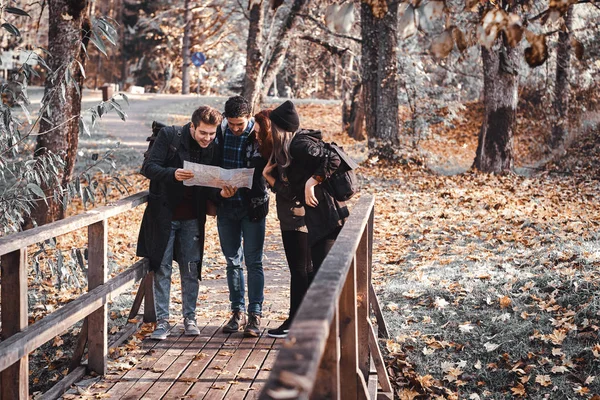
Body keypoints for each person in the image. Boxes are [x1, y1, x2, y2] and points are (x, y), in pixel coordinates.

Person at [137, 106, 236, 340]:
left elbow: (211, 186)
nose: (208, 138)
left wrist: (222, 195)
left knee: (191, 269)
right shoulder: (170, 136)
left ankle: (190, 318)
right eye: (203, 133)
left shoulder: (213, 148)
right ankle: (162, 321)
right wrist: (173, 174)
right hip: (163, 216)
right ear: (192, 127)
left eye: (212, 134)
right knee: (162, 267)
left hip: (193, 218)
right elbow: (148, 168)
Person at [269, 100, 349, 276]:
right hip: (320, 218)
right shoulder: (294, 146)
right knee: (319, 274)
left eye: (272, 127)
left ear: (280, 128)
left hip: (327, 218)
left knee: (323, 276)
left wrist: (311, 182)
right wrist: (269, 177)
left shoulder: (299, 145)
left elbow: (334, 158)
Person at [254, 110, 311, 338]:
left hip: (297, 219)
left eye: (259, 133)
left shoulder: (291, 151)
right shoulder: (281, 150)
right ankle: (303, 320)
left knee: (300, 271)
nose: (256, 137)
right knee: (304, 270)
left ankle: (295, 321)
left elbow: (290, 191)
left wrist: (269, 177)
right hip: (295, 217)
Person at [215, 96, 269, 337]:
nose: (236, 129)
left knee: (254, 261)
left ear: (249, 117)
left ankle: (255, 314)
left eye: (241, 124)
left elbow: (267, 169)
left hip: (253, 207)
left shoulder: (258, 135)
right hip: (226, 207)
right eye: (232, 124)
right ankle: (237, 312)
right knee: (231, 261)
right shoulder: (218, 133)